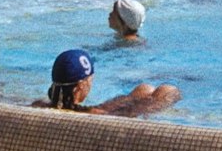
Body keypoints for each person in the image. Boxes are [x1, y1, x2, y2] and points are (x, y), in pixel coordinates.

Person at [37, 48, 181, 118]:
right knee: (167, 91)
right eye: (90, 80)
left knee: (143, 90)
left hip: (84, 109)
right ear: (80, 86)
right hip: (104, 114)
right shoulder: (99, 116)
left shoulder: (38, 106)